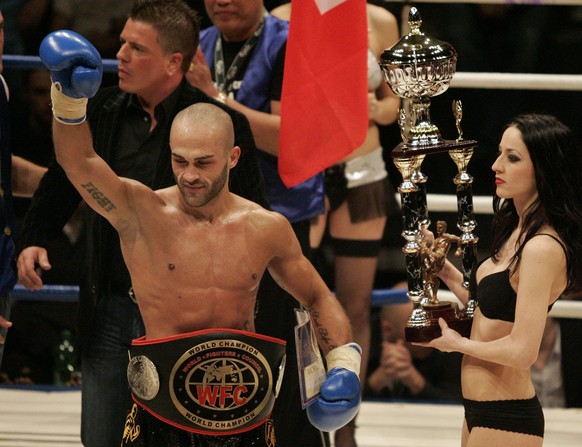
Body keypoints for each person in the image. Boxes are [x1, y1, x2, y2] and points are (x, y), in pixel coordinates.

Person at [35, 28, 362, 446]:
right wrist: (68, 99)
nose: (189, 174)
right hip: (160, 413)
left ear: (233, 157)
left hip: (246, 411)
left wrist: (342, 364)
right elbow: (78, 161)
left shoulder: (265, 228)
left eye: (204, 163)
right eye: (179, 160)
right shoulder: (142, 213)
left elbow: (316, 296)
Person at [16, 1, 269, 446]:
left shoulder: (217, 125)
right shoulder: (104, 108)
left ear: (175, 61)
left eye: (136, 47)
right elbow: (67, 173)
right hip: (110, 300)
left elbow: (250, 214)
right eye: (122, 44)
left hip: (187, 315)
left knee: (181, 437)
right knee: (100, 435)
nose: (121, 56)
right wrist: (35, 237)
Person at [186, 2, 327, 445]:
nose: (221, 1)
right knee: (221, 342)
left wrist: (215, 101)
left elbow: (292, 137)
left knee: (283, 345)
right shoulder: (201, 43)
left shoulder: (287, 43)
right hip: (210, 218)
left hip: (280, 217)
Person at [271, 3, 400, 446]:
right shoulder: (283, 16)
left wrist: (358, 105)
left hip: (363, 170)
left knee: (356, 305)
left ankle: (347, 425)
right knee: (294, 301)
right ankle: (288, 418)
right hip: (303, 172)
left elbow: (394, 106)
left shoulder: (379, 20)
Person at [417, 113, 582, 446]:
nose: (495, 166)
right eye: (500, 153)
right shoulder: (516, 230)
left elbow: (523, 352)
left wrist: (456, 344)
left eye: (513, 158)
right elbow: (491, 310)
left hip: (507, 417)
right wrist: (443, 269)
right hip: (479, 410)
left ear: (544, 170)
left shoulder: (541, 248)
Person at [365, 296, 462, 403]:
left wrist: (415, 381)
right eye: (418, 328)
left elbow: (459, 407)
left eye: (432, 325)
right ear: (387, 329)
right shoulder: (364, 340)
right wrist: (377, 381)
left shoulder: (448, 341)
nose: (430, 335)